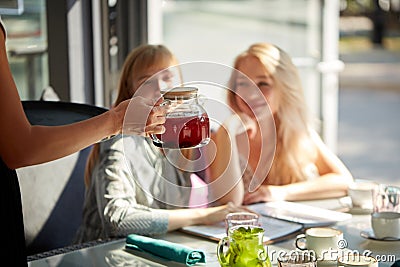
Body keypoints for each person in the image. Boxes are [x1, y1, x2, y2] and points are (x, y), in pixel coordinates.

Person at [0, 18, 166, 266]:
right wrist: (116, 121)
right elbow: (19, 148)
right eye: (147, 80)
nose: (161, 88)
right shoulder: (121, 145)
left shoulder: (174, 146)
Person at [74, 44, 248, 243]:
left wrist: (231, 127)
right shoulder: (120, 141)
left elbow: (229, 200)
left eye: (167, 78)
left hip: (159, 248)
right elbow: (117, 220)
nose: (160, 88)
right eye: (147, 81)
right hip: (103, 254)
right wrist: (202, 216)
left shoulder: (184, 135)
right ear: (131, 92)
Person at [207, 42, 353, 206]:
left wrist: (279, 192)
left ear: (284, 88)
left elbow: (344, 181)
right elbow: (229, 202)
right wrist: (229, 128)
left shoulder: (299, 133)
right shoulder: (222, 138)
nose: (251, 94)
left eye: (263, 84)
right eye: (243, 83)